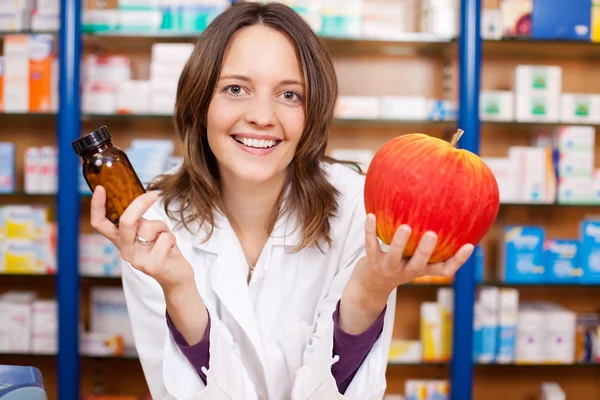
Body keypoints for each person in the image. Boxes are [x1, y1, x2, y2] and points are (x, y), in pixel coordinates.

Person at [89, 2, 474, 399]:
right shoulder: (153, 227)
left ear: (313, 113)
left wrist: (372, 288)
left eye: (289, 94)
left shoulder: (361, 208)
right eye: (235, 89)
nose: (261, 116)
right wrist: (180, 290)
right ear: (200, 102)